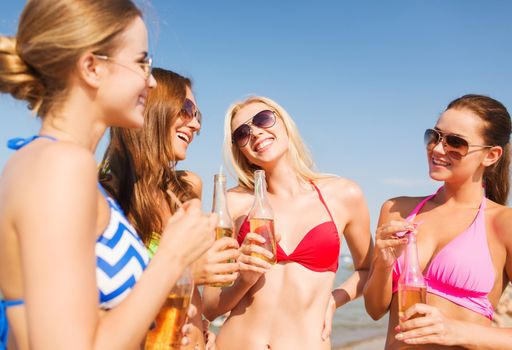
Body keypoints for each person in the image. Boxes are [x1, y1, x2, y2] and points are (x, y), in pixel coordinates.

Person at [0, 1, 215, 349]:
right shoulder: (61, 165)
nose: (153, 79)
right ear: (92, 68)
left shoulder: (53, 161)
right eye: (141, 62)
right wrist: (173, 258)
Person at [202, 96, 373, 350]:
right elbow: (210, 306)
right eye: (242, 133)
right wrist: (245, 280)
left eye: (263, 119)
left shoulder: (343, 194)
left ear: (284, 124)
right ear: (240, 150)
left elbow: (368, 269)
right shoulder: (234, 203)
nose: (256, 132)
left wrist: (334, 300)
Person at [99, 67, 240, 350]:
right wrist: (187, 270)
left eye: (197, 116)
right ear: (153, 107)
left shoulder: (185, 189)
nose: (196, 125)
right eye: (187, 110)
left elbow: (193, 300)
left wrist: (201, 333)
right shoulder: (102, 193)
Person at [363, 94, 512, 349]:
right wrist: (384, 265)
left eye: (455, 142)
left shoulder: (503, 223)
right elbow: (375, 309)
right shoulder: (397, 209)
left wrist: (458, 331)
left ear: (491, 155)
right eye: (435, 136)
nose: (438, 148)